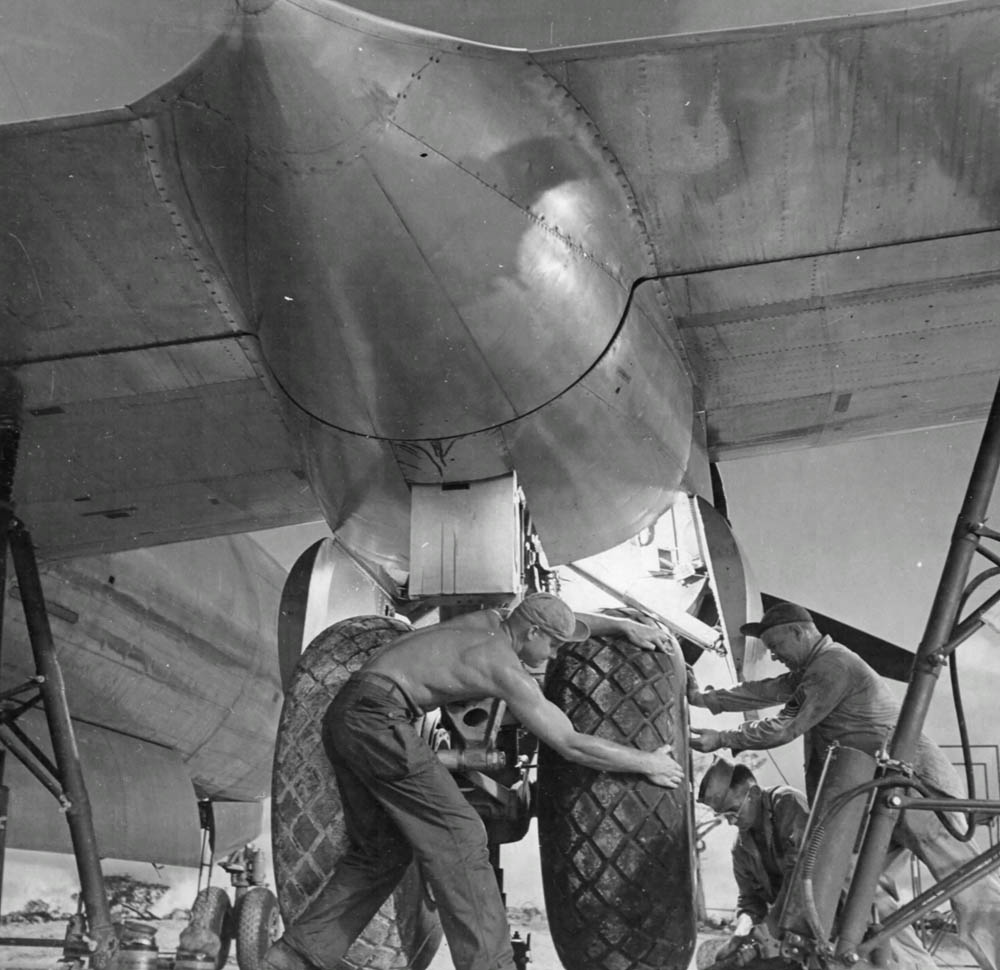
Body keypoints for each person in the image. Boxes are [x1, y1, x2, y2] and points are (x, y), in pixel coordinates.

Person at [264, 592, 684, 970]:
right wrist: (645, 762)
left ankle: (295, 956)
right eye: (553, 645)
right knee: (463, 834)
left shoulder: (492, 620)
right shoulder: (504, 670)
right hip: (380, 722)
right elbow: (570, 744)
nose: (554, 656)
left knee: (381, 852)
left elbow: (565, 618)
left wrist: (623, 625)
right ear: (533, 631)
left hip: (346, 716)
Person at [688, 601, 1000, 970]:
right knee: (857, 888)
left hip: (917, 791)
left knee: (970, 889)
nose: (774, 656)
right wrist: (705, 700)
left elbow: (786, 726)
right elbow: (766, 690)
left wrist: (724, 738)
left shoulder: (832, 666)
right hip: (878, 795)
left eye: (776, 648)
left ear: (799, 633)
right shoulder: (812, 669)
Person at [697, 756, 934, 970]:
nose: (731, 822)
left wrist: (769, 929)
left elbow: (802, 870)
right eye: (725, 817)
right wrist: (740, 933)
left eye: (733, 812)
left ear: (755, 793)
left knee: (901, 958)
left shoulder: (786, 803)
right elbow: (750, 901)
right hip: (804, 925)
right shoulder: (741, 849)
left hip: (847, 899)